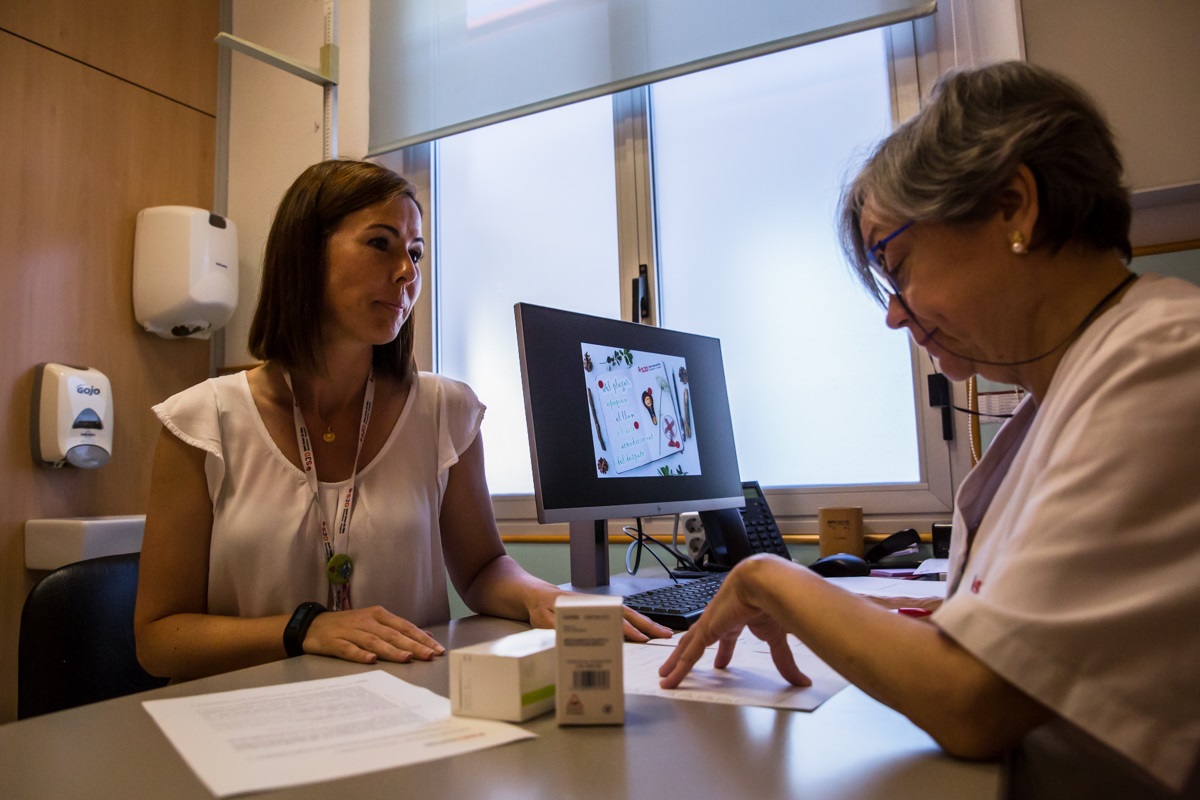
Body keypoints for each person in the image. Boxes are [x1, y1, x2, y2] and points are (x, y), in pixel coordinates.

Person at [658, 62, 1200, 798]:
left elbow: (973, 699)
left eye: (897, 263)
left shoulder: (1165, 361)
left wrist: (769, 579)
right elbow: (996, 629)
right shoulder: (1069, 390)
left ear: (1015, 206)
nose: (892, 313)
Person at [135, 160, 670, 682]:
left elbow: (483, 570)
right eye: (380, 244)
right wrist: (305, 628)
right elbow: (159, 641)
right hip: (246, 734)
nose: (408, 273)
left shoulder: (445, 412)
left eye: (415, 254)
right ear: (304, 255)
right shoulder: (202, 423)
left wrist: (543, 594)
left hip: (408, 714)